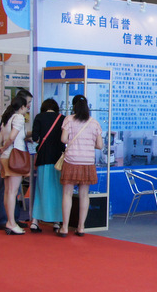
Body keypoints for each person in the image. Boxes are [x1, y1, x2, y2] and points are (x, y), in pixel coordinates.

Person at [59, 94, 103, 237]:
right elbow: (100, 145)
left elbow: (63, 139)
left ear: (74, 106)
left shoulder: (69, 119)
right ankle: (81, 227)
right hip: (87, 162)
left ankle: (64, 227)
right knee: (84, 194)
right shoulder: (94, 123)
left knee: (67, 193)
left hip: (71, 160)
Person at [0, 89, 33, 231]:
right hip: (14, 157)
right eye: (27, 105)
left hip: (5, 157)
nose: (28, 108)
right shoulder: (19, 118)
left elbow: (0, 139)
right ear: (22, 106)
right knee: (12, 191)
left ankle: (9, 221)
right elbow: (11, 138)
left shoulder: (7, 118)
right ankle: (11, 223)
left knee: (7, 191)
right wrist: (4, 148)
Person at [30, 98, 65, 233]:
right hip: (58, 160)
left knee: (41, 189)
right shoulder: (62, 118)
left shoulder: (39, 117)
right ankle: (56, 221)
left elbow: (35, 138)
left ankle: (35, 221)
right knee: (58, 190)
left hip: (43, 157)